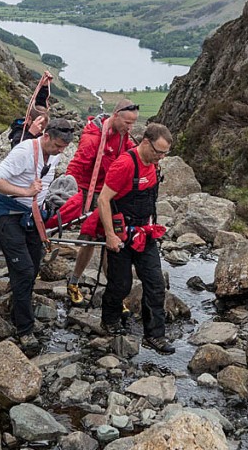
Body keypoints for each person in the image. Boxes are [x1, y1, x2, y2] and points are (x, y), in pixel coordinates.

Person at [0, 119, 74, 354]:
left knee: (33, 267)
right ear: (45, 136)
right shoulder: (24, 152)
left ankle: (17, 306)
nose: (59, 151)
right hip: (7, 213)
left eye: (63, 148)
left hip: (32, 215)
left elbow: (43, 186)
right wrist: (25, 191)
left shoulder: (53, 155)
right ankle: (24, 329)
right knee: (23, 269)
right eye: (56, 146)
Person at [97, 123, 175, 354]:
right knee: (121, 284)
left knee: (155, 284)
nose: (160, 157)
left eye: (164, 153)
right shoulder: (124, 165)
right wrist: (110, 235)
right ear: (145, 142)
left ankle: (154, 336)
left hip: (145, 233)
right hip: (122, 235)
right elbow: (103, 200)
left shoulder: (154, 164)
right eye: (157, 151)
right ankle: (109, 320)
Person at [63, 99, 139, 306]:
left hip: (110, 192)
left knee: (110, 241)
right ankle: (74, 282)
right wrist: (68, 195)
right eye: (127, 123)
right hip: (91, 193)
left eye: (133, 124)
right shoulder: (93, 138)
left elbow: (132, 156)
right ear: (115, 116)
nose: (130, 128)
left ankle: (113, 292)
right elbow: (77, 166)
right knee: (93, 241)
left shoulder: (124, 137)